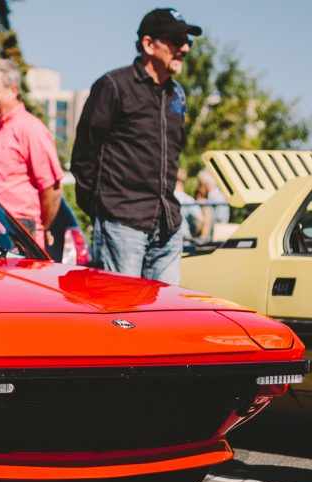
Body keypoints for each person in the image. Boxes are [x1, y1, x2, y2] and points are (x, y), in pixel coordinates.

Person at [72, 8, 201, 284]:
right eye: (176, 40)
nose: (185, 48)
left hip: (168, 223)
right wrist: (103, 210)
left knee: (166, 316)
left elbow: (173, 154)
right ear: (148, 44)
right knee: (121, 316)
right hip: (122, 223)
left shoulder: (177, 94)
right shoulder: (113, 86)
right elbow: (84, 155)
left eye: (187, 41)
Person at [0, 59, 63, 250]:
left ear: (13, 90)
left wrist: (40, 227)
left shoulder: (29, 128)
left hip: (20, 236)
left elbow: (52, 188)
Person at [194, 168, 229, 241]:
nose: (199, 185)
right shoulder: (214, 195)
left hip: (216, 236)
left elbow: (220, 220)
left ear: (205, 182)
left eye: (200, 182)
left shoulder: (215, 197)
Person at [174, 168, 202, 241]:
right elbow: (200, 220)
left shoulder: (165, 198)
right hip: (184, 240)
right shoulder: (187, 199)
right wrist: (194, 235)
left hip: (166, 241)